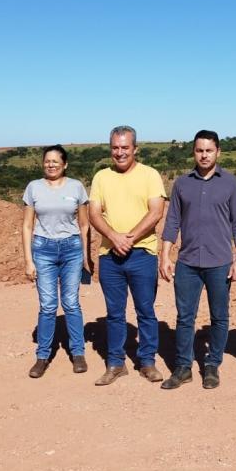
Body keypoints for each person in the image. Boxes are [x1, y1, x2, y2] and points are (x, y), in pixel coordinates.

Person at [159, 130, 236, 390]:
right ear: (193, 152)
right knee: (185, 317)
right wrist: (165, 256)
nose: (204, 155)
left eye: (209, 150)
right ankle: (183, 367)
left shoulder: (231, 183)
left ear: (218, 152)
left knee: (219, 316)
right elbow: (172, 220)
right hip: (187, 261)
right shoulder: (182, 184)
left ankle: (212, 365)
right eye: (199, 150)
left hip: (220, 261)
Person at [88, 125, 167, 386]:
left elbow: (156, 211)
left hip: (142, 253)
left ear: (135, 149)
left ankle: (147, 362)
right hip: (110, 256)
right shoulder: (101, 177)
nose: (120, 152)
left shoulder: (150, 175)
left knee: (145, 310)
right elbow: (94, 213)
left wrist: (129, 238)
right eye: (115, 147)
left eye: (125, 147)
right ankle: (115, 363)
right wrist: (114, 237)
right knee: (114, 313)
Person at [22, 145, 92, 378]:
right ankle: (43, 356)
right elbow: (27, 225)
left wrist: (86, 256)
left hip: (71, 248)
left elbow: (84, 224)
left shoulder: (76, 187)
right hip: (43, 249)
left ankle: (78, 353)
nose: (51, 165)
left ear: (65, 164)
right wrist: (28, 260)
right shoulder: (34, 188)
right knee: (48, 305)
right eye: (47, 161)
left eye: (55, 161)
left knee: (71, 303)